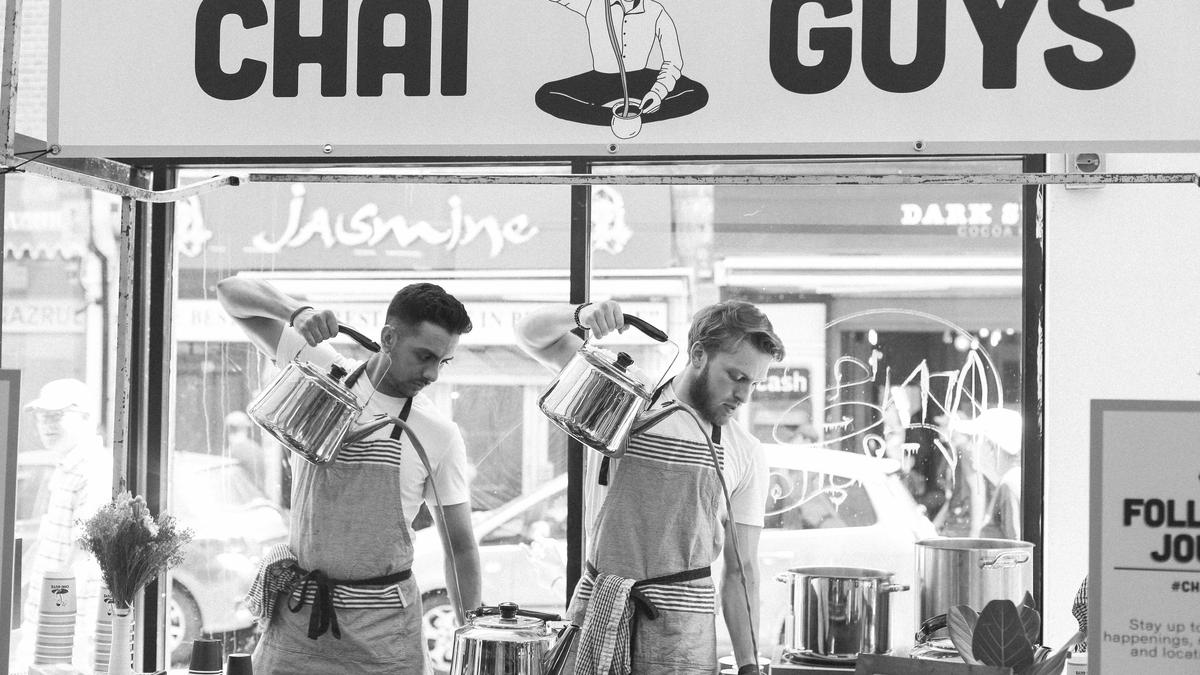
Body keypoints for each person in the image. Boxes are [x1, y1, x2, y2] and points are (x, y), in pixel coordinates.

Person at [216, 276, 482, 675]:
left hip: (384, 638)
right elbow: (230, 293)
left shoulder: (438, 433)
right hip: (300, 620)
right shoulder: (320, 372)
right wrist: (296, 311)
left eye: (442, 362)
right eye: (423, 356)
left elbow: (460, 547)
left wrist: (471, 639)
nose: (433, 375)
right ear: (388, 337)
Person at [516, 299, 785, 675]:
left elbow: (742, 572)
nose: (744, 396)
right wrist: (581, 315)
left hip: (683, 638)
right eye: (736, 377)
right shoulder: (622, 397)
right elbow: (530, 335)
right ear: (697, 355)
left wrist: (749, 665)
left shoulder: (746, 453)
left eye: (754, 383)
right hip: (599, 614)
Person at [16, 378, 112, 675]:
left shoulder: (92, 467)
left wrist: (55, 606)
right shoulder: (68, 465)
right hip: (52, 612)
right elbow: (51, 538)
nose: (47, 425)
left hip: (68, 617)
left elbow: (84, 543)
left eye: (57, 416)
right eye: (42, 417)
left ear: (87, 419)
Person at [535, 0, 708, 127]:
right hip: (601, 81)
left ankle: (636, 116)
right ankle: (612, 118)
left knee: (698, 93)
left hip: (641, 80)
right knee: (545, 95)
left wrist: (658, 92)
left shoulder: (656, 10)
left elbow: (673, 60)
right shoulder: (592, 3)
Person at [224, 410, 267, 494]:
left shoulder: (231, 452)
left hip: (244, 499)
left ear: (229, 429)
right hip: (259, 498)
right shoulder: (256, 448)